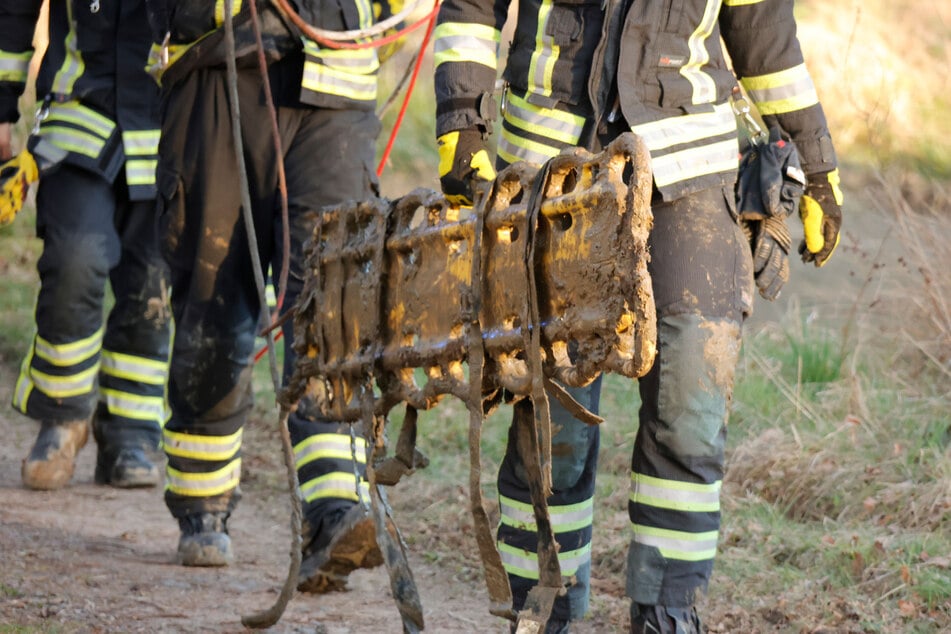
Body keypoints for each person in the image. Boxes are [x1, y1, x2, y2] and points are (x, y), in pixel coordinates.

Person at [433, 0, 843, 632]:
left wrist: (816, 164)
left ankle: (669, 611)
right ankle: (541, 610)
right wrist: (461, 122)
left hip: (690, 166)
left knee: (693, 400)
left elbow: (762, 29)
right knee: (555, 420)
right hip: (554, 169)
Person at [143, 0, 393, 589]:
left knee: (332, 305)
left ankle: (334, 512)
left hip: (335, 83)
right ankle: (202, 501)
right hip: (219, 66)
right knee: (214, 302)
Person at [0, 0, 171, 491]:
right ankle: (62, 417)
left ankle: (131, 433)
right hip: (78, 112)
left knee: (151, 285)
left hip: (168, 124)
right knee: (74, 259)